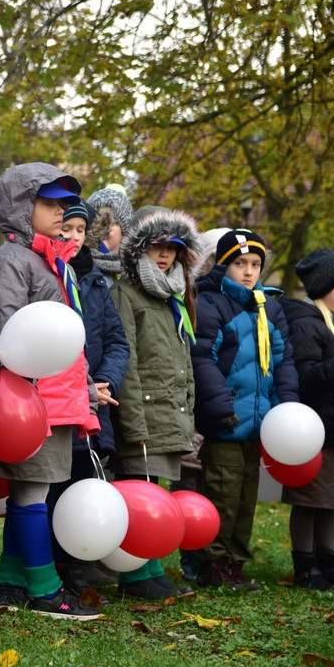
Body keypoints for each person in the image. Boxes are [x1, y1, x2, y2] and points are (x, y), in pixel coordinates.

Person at [0, 163, 101, 621]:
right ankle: (44, 590)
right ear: (20, 207)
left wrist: (87, 388)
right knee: (32, 491)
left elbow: (70, 336)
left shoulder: (52, 260)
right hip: (32, 399)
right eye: (49, 204)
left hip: (60, 396)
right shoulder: (13, 260)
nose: (61, 211)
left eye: (64, 203)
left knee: (35, 489)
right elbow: (9, 329)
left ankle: (12, 580)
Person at [192, 228, 298, 590]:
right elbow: (202, 358)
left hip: (260, 422)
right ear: (224, 266)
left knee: (246, 496)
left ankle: (235, 562)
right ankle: (213, 562)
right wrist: (220, 405)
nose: (249, 271)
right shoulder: (210, 304)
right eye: (240, 264)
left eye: (255, 264)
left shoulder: (269, 307)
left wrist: (287, 411)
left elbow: (283, 362)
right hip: (226, 420)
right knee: (222, 492)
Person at [110, 208, 202, 600]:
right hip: (142, 414)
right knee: (139, 494)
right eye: (154, 247)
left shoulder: (174, 298)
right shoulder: (126, 293)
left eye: (170, 248)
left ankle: (150, 567)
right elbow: (126, 362)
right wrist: (133, 424)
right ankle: (135, 574)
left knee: (156, 493)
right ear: (138, 251)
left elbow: (182, 364)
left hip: (168, 413)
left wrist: (187, 413)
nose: (163, 256)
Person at [45, 200, 129, 593]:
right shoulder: (47, 273)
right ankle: (56, 563)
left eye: (81, 230)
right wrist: (85, 385)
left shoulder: (96, 281)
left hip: (97, 401)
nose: (73, 237)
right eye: (68, 228)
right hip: (64, 398)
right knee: (56, 485)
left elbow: (116, 342)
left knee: (85, 478)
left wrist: (105, 382)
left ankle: (78, 562)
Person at [279, 248, 334, 590]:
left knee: (331, 500)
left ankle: (329, 560)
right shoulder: (306, 323)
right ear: (323, 288)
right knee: (309, 499)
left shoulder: (329, 323)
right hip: (314, 430)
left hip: (333, 426)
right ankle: (306, 563)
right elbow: (306, 376)